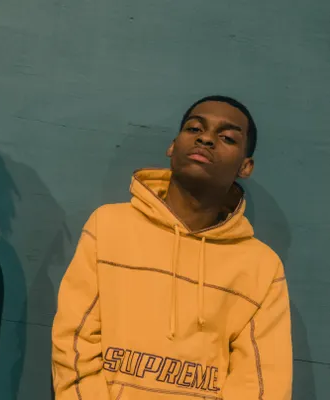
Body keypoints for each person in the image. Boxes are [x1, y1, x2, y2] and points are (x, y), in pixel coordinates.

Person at [52, 96, 292, 399]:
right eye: (194, 129)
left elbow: (261, 383)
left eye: (227, 137)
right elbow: (73, 343)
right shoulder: (109, 226)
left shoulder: (262, 266)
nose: (206, 139)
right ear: (172, 146)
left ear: (245, 166)